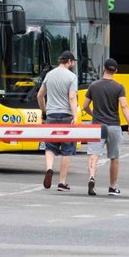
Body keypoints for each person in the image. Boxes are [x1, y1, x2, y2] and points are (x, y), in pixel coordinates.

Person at [82, 58, 129, 196]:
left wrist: (93, 114)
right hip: (113, 126)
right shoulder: (119, 87)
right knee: (114, 158)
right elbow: (124, 106)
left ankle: (92, 178)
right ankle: (112, 187)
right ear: (116, 71)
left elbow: (85, 106)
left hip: (97, 126)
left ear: (103, 69)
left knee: (94, 154)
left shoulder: (93, 86)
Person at [37, 50, 78, 191]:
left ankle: (49, 168)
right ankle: (62, 182)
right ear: (70, 61)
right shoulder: (72, 77)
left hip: (51, 116)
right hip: (66, 116)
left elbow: (39, 95)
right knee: (67, 150)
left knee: (50, 147)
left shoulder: (49, 75)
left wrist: (44, 111)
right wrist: (75, 116)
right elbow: (72, 98)